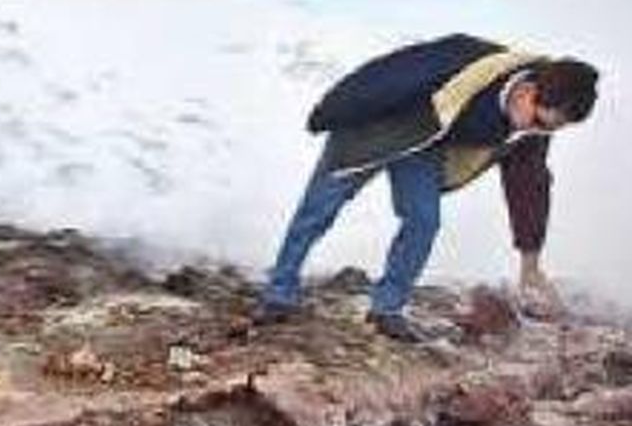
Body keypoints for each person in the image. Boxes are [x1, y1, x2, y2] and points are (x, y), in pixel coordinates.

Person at [256, 34, 598, 343]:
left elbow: (530, 186)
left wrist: (530, 261)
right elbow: (391, 75)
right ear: (527, 92)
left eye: (551, 129)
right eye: (539, 121)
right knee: (319, 208)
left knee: (423, 220)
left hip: (425, 146)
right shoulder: (466, 59)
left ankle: (386, 309)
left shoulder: (529, 133)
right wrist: (333, 111)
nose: (539, 130)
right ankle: (279, 293)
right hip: (374, 126)